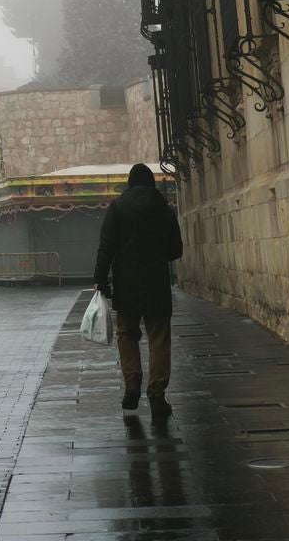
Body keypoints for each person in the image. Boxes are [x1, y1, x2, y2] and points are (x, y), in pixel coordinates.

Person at [93, 163, 183, 419]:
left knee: (127, 334)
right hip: (156, 284)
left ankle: (132, 383)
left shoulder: (117, 208)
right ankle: (156, 394)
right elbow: (176, 250)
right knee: (159, 339)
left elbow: (106, 246)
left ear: (130, 184)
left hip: (127, 284)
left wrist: (100, 279)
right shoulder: (165, 210)